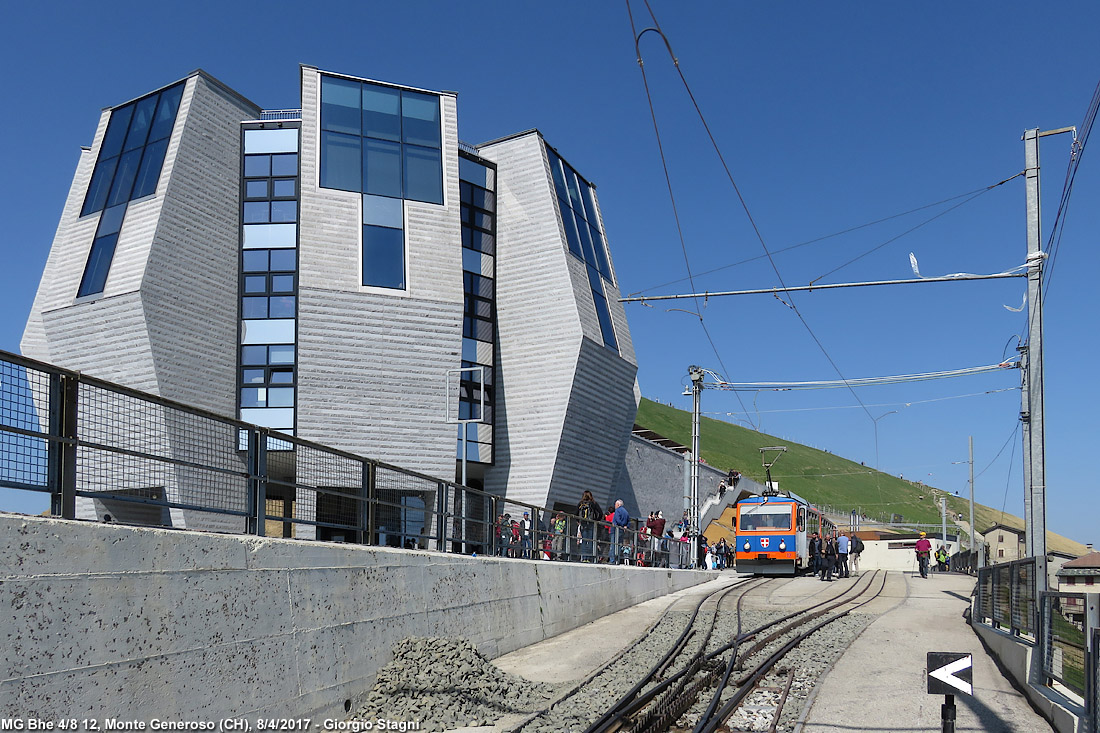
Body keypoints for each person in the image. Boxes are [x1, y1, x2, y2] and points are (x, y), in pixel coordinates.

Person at [577, 490, 602, 562]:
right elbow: (600, 513)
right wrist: (596, 520)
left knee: (584, 540)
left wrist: (578, 521)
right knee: (591, 541)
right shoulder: (593, 503)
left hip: (583, 524)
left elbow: (575, 513)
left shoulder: (580, 503)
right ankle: (590, 557)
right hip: (591, 524)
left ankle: (584, 558)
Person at [611, 499, 630, 564]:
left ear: (618, 505)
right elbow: (628, 521)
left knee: (613, 544)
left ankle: (612, 560)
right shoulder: (626, 512)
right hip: (622, 531)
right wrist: (625, 526)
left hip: (616, 529)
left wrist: (621, 525)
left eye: (615, 504)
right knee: (619, 544)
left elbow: (617, 519)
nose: (615, 506)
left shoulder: (618, 510)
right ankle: (617, 559)